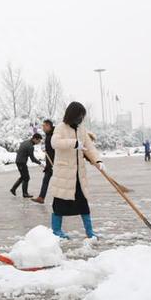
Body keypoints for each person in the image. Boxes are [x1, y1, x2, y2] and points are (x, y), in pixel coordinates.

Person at [49, 102, 104, 239]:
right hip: (64, 174)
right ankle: (57, 231)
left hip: (79, 175)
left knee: (83, 203)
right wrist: (73, 143)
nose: (81, 119)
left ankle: (90, 232)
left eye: (82, 116)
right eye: (80, 116)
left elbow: (90, 147)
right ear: (72, 114)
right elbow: (54, 143)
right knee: (60, 204)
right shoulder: (60, 128)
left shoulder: (82, 130)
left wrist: (98, 161)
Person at [10, 133, 43, 197]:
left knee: (23, 176)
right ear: (34, 139)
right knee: (26, 178)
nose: (39, 142)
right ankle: (24, 193)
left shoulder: (25, 142)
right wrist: (40, 163)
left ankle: (13, 189)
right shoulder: (30, 146)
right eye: (38, 141)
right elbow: (32, 159)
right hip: (21, 163)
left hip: (19, 161)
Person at [33, 120, 55, 204]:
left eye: (44, 126)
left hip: (54, 163)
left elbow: (56, 149)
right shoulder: (49, 135)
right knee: (45, 180)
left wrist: (53, 163)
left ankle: (69, 199)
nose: (43, 128)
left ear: (49, 126)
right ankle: (41, 197)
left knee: (60, 183)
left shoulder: (53, 135)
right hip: (50, 163)